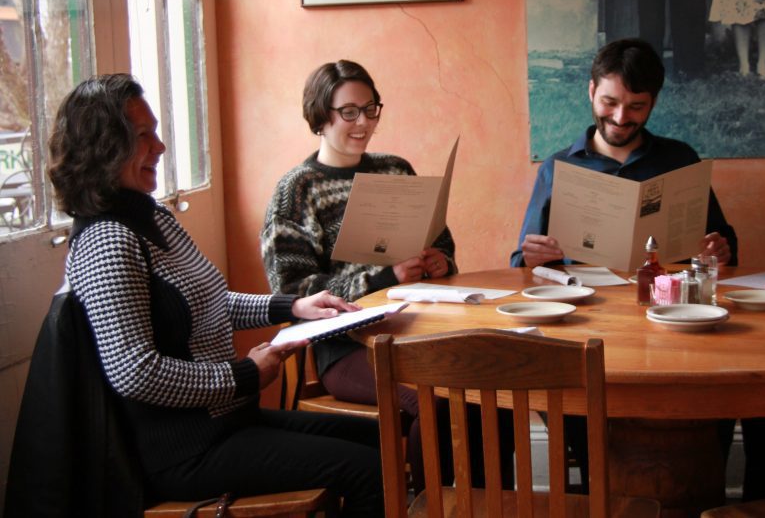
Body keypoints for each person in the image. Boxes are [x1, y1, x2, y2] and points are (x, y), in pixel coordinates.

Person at [47, 74, 383, 515]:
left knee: (380, 440)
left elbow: (209, 302)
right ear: (104, 148)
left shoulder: (151, 218)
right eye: (143, 136)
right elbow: (134, 372)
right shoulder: (106, 241)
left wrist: (293, 306)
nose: (161, 147)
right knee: (369, 469)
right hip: (181, 451)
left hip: (225, 423)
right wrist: (244, 374)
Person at [262, 61, 494, 492]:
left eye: (371, 109)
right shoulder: (297, 189)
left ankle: (483, 501)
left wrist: (440, 261)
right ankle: (431, 505)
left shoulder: (395, 169)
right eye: (349, 111)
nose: (364, 122)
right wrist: (381, 276)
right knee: (439, 400)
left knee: (487, 393)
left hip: (418, 327)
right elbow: (292, 291)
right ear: (320, 115)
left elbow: (439, 240)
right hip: (343, 345)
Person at [511, 37, 737, 272]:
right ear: (591, 91)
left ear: (653, 102)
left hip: (667, 302)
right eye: (609, 102)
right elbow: (521, 261)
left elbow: (723, 247)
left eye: (636, 107)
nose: (620, 118)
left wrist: (719, 251)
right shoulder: (556, 167)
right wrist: (531, 258)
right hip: (584, 301)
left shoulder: (681, 159)